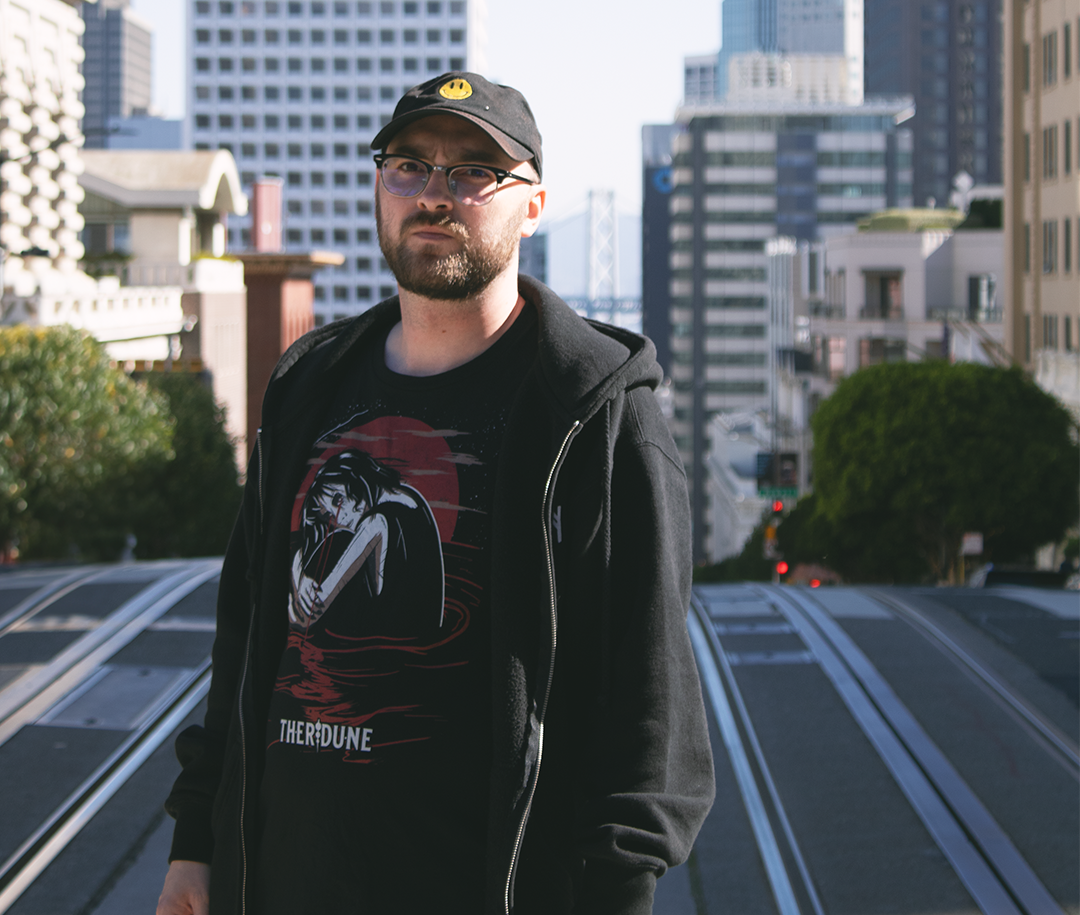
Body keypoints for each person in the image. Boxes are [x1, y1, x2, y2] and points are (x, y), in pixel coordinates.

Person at [157, 72, 714, 915]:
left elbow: (650, 705)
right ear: (380, 186)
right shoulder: (308, 387)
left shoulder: (595, 415)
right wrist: (196, 843)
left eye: (474, 173)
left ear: (532, 205)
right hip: (279, 885)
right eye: (408, 166)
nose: (434, 195)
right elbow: (243, 639)